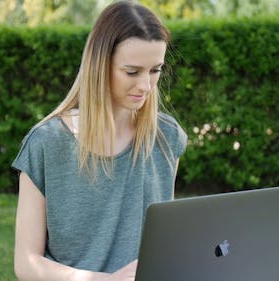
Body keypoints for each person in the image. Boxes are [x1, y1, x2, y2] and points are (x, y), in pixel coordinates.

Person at [11, 1, 187, 280]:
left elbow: (162, 242)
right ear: (99, 67)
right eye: (132, 72)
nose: (146, 86)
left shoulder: (166, 137)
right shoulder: (46, 144)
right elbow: (26, 262)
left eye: (155, 70)